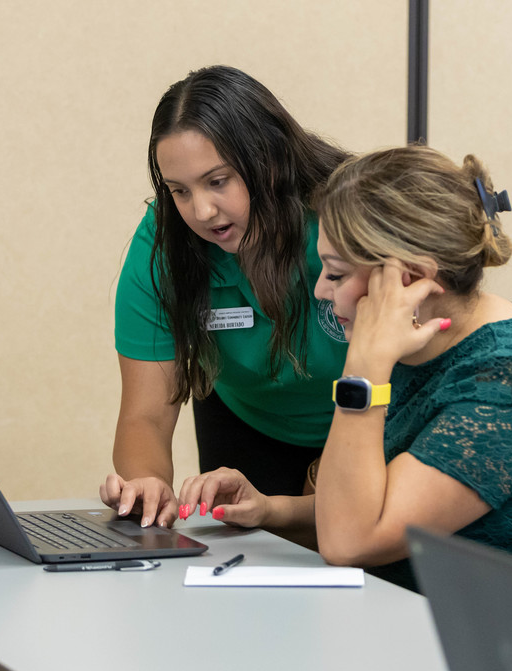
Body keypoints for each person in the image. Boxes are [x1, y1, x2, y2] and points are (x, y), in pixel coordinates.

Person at [177, 145, 512, 605]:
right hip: (427, 623)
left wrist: (364, 370)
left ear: (409, 279)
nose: (320, 291)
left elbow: (351, 542)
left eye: (336, 273)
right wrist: (270, 510)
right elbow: (376, 505)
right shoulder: (424, 346)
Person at [100, 65, 351, 531]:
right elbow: (145, 415)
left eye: (218, 181)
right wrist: (148, 484)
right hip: (247, 421)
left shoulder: (343, 214)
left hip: (368, 417)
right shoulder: (165, 241)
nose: (201, 211)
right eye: (179, 190)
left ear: (270, 159)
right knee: (247, 571)